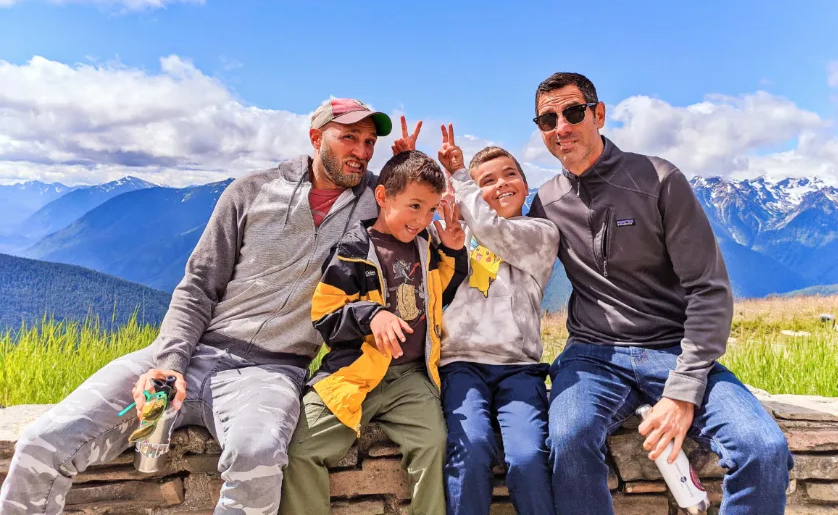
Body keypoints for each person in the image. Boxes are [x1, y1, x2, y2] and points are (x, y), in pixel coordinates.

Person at [0, 98, 421, 515]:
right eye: (349, 137)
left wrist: (406, 167)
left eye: (369, 142)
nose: (362, 151)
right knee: (45, 440)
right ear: (316, 138)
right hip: (189, 354)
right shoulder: (252, 190)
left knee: (257, 456)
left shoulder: (376, 202)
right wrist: (169, 362)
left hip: (270, 372)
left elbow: (423, 218)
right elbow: (198, 285)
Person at [527, 72, 793, 515]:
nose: (561, 127)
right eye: (546, 119)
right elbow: (506, 255)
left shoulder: (658, 178)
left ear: (599, 114)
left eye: (573, 112)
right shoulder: (546, 202)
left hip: (674, 349)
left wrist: (683, 389)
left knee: (762, 449)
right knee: (568, 442)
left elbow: (709, 289)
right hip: (591, 355)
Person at [280, 150, 468, 515]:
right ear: (382, 197)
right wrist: (371, 316)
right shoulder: (353, 250)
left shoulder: (427, 247)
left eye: (430, 210)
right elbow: (325, 315)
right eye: (414, 206)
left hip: (410, 377)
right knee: (301, 449)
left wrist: (456, 254)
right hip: (355, 374)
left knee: (435, 444)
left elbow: (440, 293)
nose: (422, 219)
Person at [436, 124, 559, 515]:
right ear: (475, 194)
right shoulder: (458, 239)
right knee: (469, 450)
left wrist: (459, 175)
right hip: (461, 365)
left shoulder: (540, 233)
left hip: (518, 368)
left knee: (526, 457)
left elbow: (492, 229)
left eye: (511, 175)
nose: (502, 184)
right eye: (486, 181)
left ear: (525, 183)